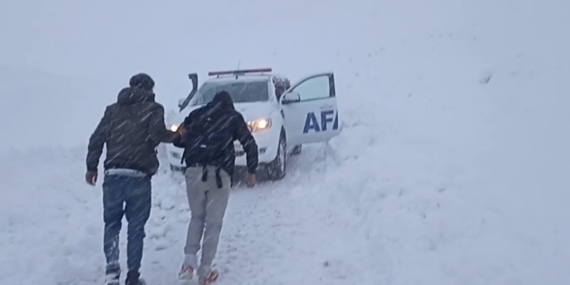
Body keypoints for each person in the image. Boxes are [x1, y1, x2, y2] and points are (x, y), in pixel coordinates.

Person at [85, 73, 183, 285]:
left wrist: (91, 167)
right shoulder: (153, 108)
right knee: (135, 228)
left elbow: (96, 139)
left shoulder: (112, 110)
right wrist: (178, 135)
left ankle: (112, 273)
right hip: (138, 176)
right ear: (150, 89)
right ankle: (132, 276)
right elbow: (158, 135)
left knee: (111, 223)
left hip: (112, 175)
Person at [173, 90, 258, 285]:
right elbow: (250, 144)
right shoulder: (233, 117)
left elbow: (177, 140)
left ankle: (188, 264)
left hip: (193, 173)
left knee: (196, 217)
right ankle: (204, 273)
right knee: (213, 223)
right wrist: (251, 171)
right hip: (219, 175)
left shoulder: (196, 114)